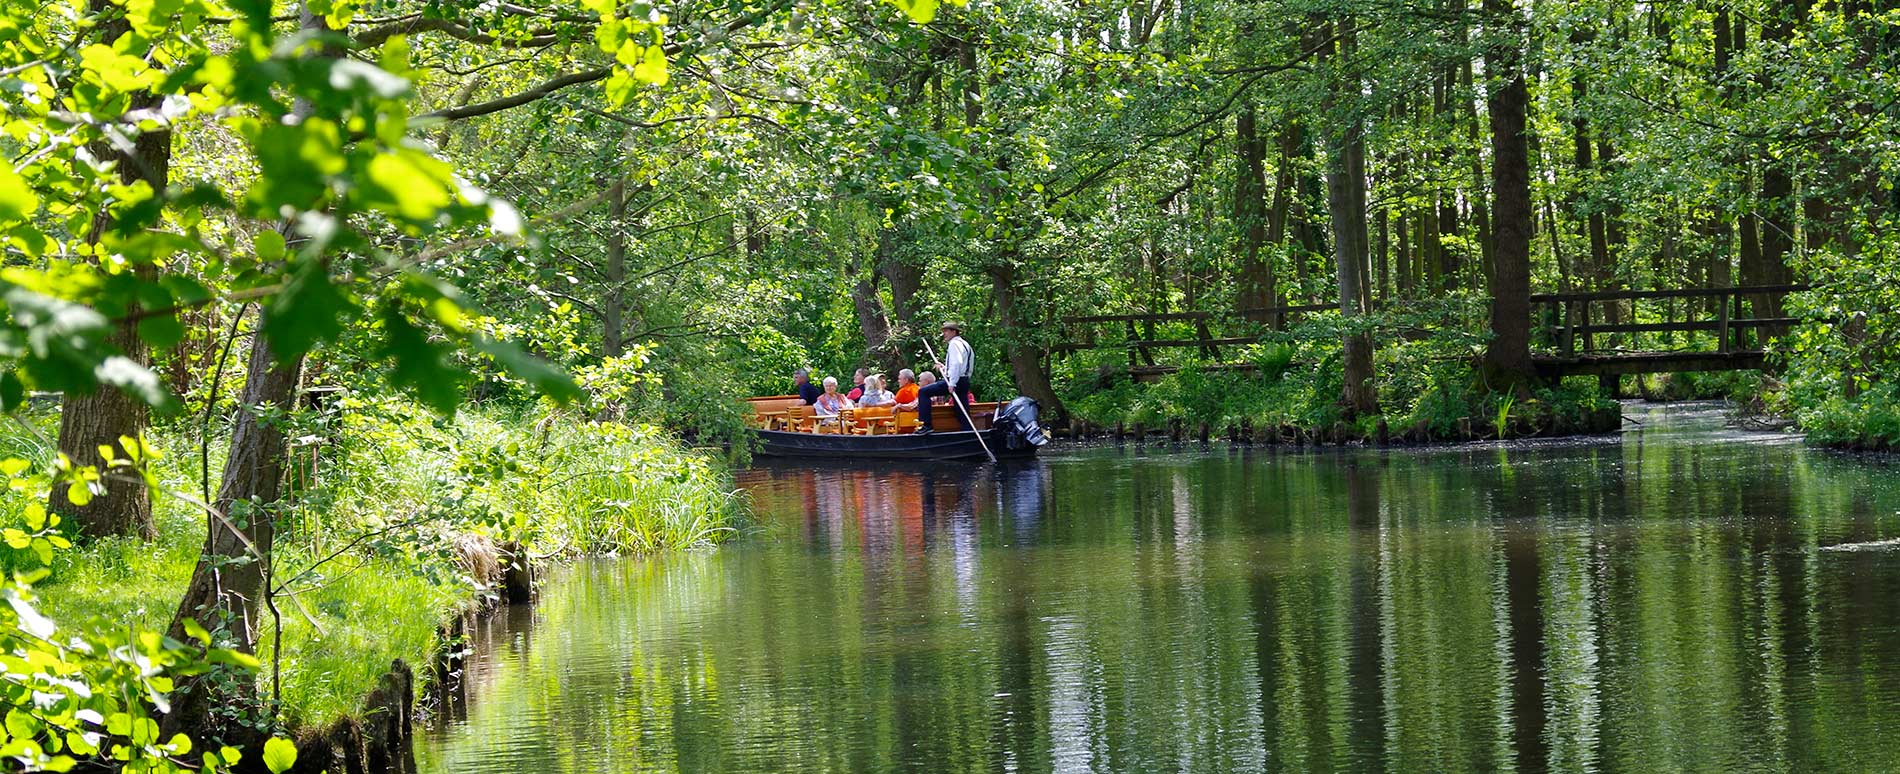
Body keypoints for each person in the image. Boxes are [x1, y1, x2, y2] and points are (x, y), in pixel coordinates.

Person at [914, 322, 974, 435]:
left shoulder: (954, 344)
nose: (944, 334)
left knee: (923, 392)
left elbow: (957, 364)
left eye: (946, 331)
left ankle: (927, 425)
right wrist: (945, 368)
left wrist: (952, 383)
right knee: (961, 408)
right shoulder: (965, 344)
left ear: (954, 331)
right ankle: (968, 431)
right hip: (964, 380)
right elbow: (963, 367)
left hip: (956, 381)